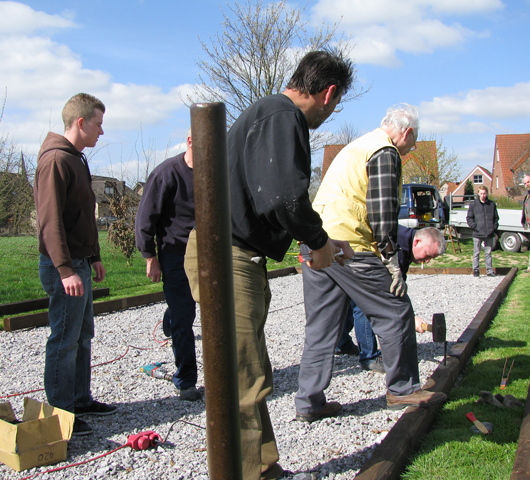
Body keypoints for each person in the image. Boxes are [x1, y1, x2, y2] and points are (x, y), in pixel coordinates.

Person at [184, 50, 355, 480]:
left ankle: (261, 466)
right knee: (241, 376)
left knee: (251, 368)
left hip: (234, 253)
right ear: (329, 93)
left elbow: (268, 198)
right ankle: (248, 474)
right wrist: (317, 242)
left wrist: (323, 239)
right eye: (335, 104)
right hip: (227, 257)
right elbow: (282, 198)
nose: (330, 113)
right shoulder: (282, 115)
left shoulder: (269, 113)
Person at [295, 104, 447, 423]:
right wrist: (391, 262)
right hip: (347, 243)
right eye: (414, 141)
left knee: (321, 327)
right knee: (396, 310)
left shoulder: (358, 146)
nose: (413, 148)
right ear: (406, 132)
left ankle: (309, 402)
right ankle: (402, 389)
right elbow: (382, 211)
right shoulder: (384, 151)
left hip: (316, 241)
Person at [34, 93, 116, 438]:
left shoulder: (76, 159)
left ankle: (80, 400)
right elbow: (50, 221)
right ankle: (60, 414)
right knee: (65, 340)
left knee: (82, 335)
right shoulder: (56, 160)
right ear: (80, 122)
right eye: (98, 124)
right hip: (63, 268)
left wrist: (94, 256)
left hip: (80, 262)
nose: (101, 131)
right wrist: (65, 269)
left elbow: (82, 215)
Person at [135, 130, 200, 401]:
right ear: (190, 141)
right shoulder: (166, 174)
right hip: (176, 254)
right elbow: (145, 219)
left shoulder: (218, 173)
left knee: (217, 315)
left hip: (210, 253)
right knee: (183, 318)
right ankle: (186, 380)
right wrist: (150, 256)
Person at [337, 226, 447, 373]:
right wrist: (410, 318)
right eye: (427, 255)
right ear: (417, 242)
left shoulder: (407, 247)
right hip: (350, 256)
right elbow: (388, 293)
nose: (427, 261)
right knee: (365, 305)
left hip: (351, 257)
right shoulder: (398, 246)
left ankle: (342, 343)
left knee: (352, 301)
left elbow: (398, 287)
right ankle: (369, 358)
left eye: (431, 258)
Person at [466, 185, 499, 277]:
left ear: (487, 193)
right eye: (481, 193)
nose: (483, 195)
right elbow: (469, 218)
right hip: (477, 232)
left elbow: (496, 218)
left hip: (489, 233)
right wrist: (474, 227)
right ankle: (476, 270)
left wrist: (494, 227)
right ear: (478, 193)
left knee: (488, 253)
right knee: (476, 253)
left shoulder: (492, 204)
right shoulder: (473, 204)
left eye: (484, 193)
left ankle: (489, 270)